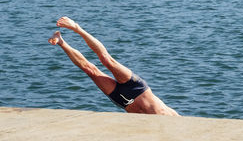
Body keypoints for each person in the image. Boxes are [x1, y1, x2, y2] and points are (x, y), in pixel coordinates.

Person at [48, 17, 180, 116]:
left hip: (124, 101)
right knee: (107, 60)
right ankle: (76, 28)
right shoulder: (177, 119)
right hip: (138, 88)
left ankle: (61, 41)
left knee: (90, 70)